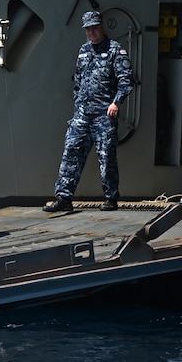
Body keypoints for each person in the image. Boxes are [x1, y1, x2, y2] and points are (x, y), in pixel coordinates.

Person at [44, 11, 135, 213]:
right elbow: (78, 80)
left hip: (104, 114)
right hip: (82, 114)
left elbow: (126, 81)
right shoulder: (84, 51)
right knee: (71, 152)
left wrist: (116, 103)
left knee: (106, 157)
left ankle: (111, 198)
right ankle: (63, 197)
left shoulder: (115, 51)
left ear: (101, 27)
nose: (91, 32)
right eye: (88, 29)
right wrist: (78, 104)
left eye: (94, 27)